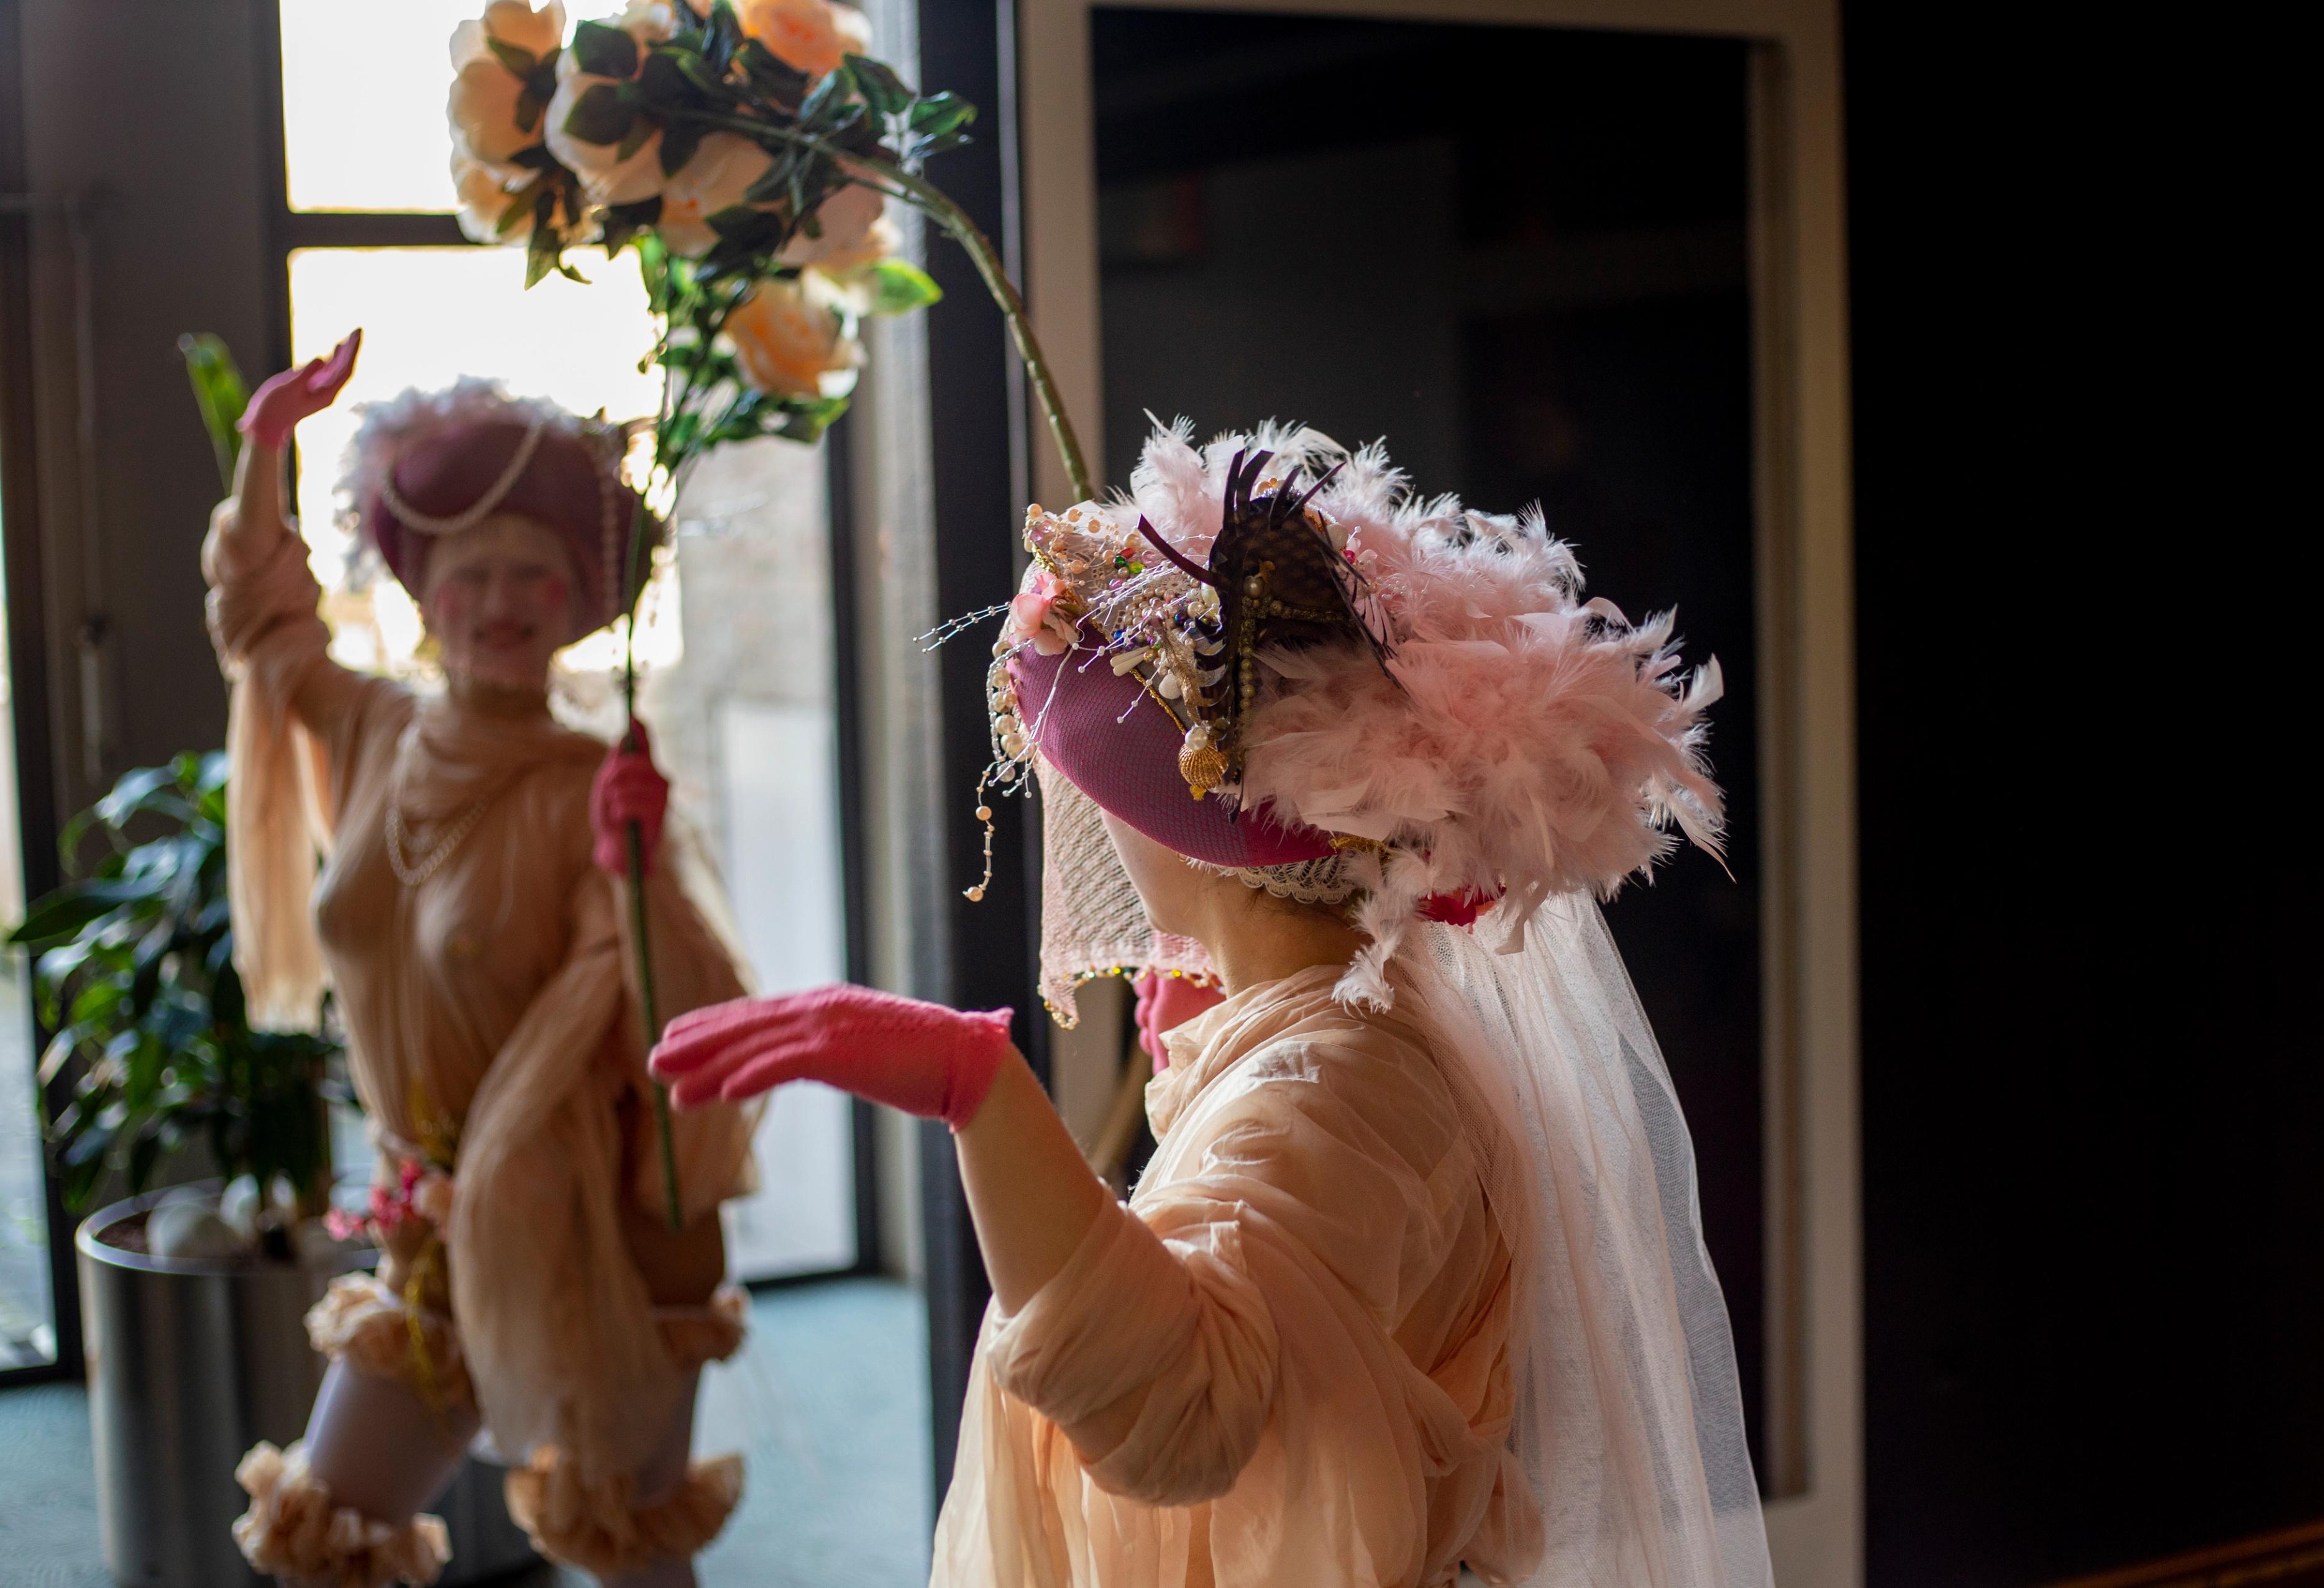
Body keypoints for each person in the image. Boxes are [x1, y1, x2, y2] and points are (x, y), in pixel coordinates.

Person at [652, 423, 1774, 1586]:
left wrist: (975, 1090)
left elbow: (1181, 1412)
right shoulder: (1335, 1034)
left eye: (1113, 788)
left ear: (1196, 823)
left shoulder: (1338, 1082)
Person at [210, 333, 759, 1588]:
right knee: (321, 1543)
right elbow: (258, 616)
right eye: (475, 573)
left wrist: (633, 879)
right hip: (420, 1226)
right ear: (424, 594)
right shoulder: (368, 728)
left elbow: (682, 1037)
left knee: (626, 1558)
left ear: (580, 604)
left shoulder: (600, 790)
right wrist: (263, 445)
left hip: (589, 1242)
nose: (505, 601)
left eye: (538, 575)